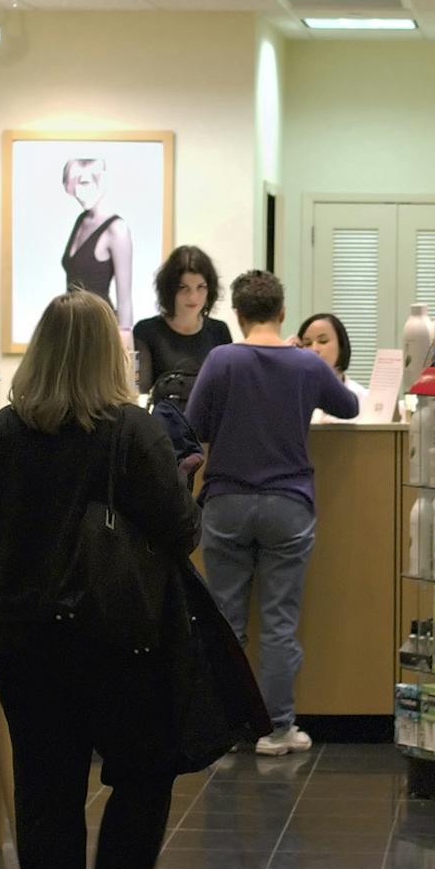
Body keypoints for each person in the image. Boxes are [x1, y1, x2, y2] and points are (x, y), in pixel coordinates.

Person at [0, 291, 201, 869]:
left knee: (46, 795)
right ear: (111, 353)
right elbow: (180, 529)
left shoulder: (5, 432)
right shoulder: (132, 431)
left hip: (25, 641)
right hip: (118, 638)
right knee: (143, 773)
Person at [186, 270, 360, 755]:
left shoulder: (221, 359)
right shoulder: (306, 365)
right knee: (279, 623)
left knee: (225, 624)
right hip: (288, 504)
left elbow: (194, 425)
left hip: (226, 504)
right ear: (282, 312)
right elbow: (347, 406)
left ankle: (225, 730)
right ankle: (278, 729)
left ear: (238, 316)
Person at [132, 245, 231, 407]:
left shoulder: (219, 331)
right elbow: (139, 393)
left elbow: (226, 390)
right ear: (169, 289)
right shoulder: (146, 331)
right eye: (183, 288)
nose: (193, 297)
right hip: (162, 425)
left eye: (201, 287)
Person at [58, 157, 134, 330]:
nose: (78, 191)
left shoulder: (117, 229)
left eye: (84, 183)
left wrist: (125, 351)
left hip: (98, 326)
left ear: (101, 181)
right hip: (71, 323)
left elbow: (125, 300)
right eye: (74, 184)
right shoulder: (81, 221)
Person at [295, 311, 366, 399]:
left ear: (341, 346)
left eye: (323, 341)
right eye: (307, 343)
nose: (314, 349)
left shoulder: (362, 398)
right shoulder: (293, 396)